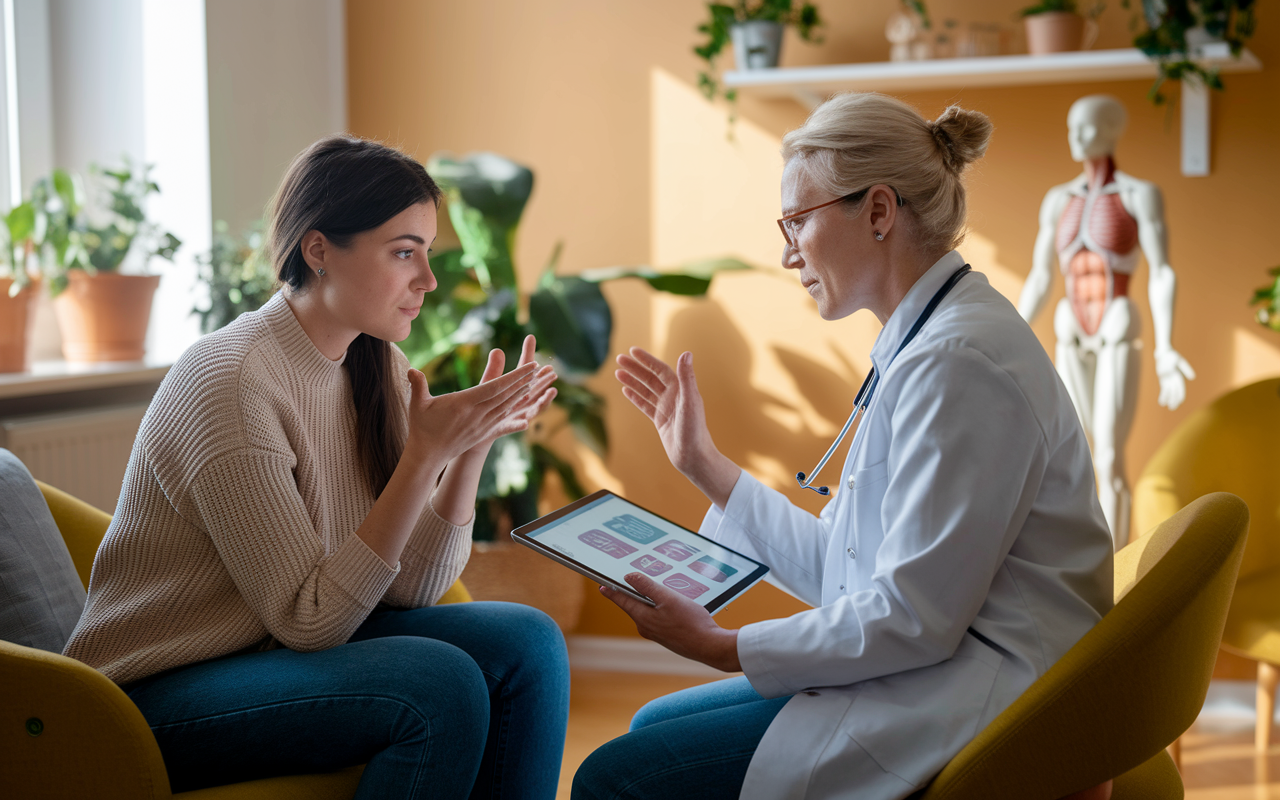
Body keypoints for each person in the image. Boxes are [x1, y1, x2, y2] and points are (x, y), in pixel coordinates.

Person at [572, 93, 1115, 800]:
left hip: (984, 697)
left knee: (615, 778)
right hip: (941, 668)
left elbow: (914, 617)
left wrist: (721, 646)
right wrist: (704, 465)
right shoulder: (931, 341)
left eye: (797, 220)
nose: (786, 249)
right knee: (650, 725)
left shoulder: (960, 364)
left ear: (879, 211)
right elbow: (849, 567)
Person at [62, 135, 571, 800]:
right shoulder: (233, 382)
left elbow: (411, 586)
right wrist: (423, 456)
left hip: (271, 659)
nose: (428, 279)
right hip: (153, 696)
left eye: (426, 252)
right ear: (319, 249)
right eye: (403, 252)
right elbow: (308, 620)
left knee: (529, 644)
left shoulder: (374, 364)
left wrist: (468, 447)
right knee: (436, 686)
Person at [1018, 93, 1195, 550]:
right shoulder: (1057, 200)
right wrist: (1009, 334)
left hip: (1117, 326)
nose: (1076, 137)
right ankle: (1080, 567)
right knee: (1072, 456)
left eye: (1088, 128)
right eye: (1072, 127)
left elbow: (1163, 270)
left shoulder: (1138, 195)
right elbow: (1040, 275)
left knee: (1111, 457)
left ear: (1113, 131)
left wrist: (1166, 349)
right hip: (1070, 331)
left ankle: (1114, 574)